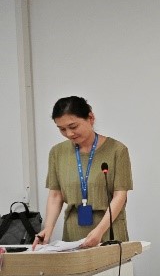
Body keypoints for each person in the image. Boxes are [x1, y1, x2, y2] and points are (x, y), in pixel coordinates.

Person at [32, 96, 133, 249]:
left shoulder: (117, 150)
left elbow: (120, 196)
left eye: (73, 126)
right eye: (62, 129)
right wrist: (48, 228)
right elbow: (56, 195)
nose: (69, 133)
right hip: (73, 235)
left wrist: (99, 231)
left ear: (90, 118)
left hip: (108, 232)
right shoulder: (57, 152)